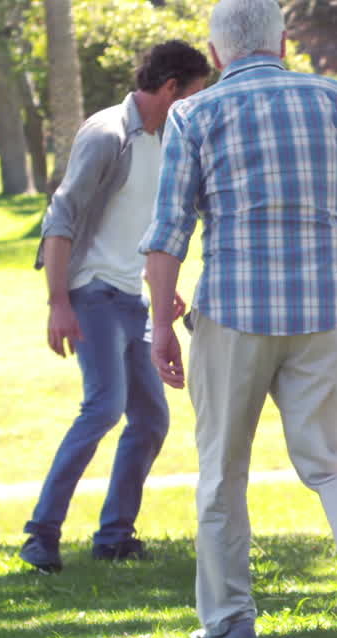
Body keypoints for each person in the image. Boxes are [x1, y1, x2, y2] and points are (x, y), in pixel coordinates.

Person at [140, 0, 337, 638]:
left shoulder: (194, 112)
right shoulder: (334, 99)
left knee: (222, 472)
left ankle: (230, 623)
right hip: (326, 310)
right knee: (336, 464)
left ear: (216, 56)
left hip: (233, 313)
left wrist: (161, 322)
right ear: (285, 43)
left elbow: (169, 230)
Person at [20, 41, 211, 573]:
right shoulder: (109, 134)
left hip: (130, 297)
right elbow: (60, 218)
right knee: (104, 407)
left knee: (150, 420)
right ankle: (42, 534)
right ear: (170, 88)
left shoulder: (166, 140)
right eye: (194, 94)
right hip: (92, 293)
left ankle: (114, 535)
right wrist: (58, 303)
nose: (198, 105)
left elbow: (143, 231)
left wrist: (157, 291)